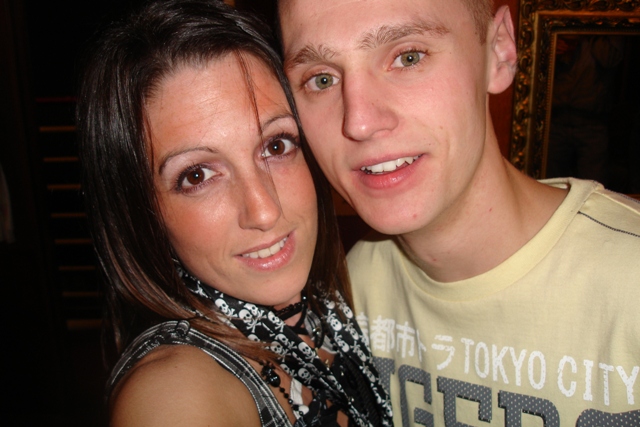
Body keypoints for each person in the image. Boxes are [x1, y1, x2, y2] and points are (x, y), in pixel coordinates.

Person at [277, 0, 640, 426]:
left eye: (408, 57)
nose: (359, 122)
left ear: (499, 50)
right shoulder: (350, 294)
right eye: (321, 79)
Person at [77, 1, 392, 426]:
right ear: (141, 214)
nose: (264, 211)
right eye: (197, 175)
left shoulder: (331, 304)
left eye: (276, 146)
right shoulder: (173, 392)